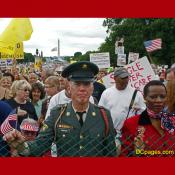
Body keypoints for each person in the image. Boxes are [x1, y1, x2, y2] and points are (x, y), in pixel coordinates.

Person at [3, 61, 117, 157]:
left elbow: (110, 153)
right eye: (77, 84)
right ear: (69, 88)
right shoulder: (57, 114)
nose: (82, 88)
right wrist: (21, 145)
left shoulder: (104, 115)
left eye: (87, 84)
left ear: (92, 88)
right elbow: (39, 146)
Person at [120, 80, 175, 157]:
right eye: (153, 97)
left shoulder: (173, 121)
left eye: (162, 96)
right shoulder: (131, 123)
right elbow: (123, 155)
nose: (159, 100)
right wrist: (137, 153)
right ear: (144, 97)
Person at [99, 67, 146, 137]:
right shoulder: (107, 93)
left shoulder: (136, 93)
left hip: (130, 133)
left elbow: (143, 112)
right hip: (111, 133)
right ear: (115, 78)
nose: (125, 79)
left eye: (127, 77)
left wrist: (139, 109)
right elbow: (101, 112)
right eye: (122, 77)